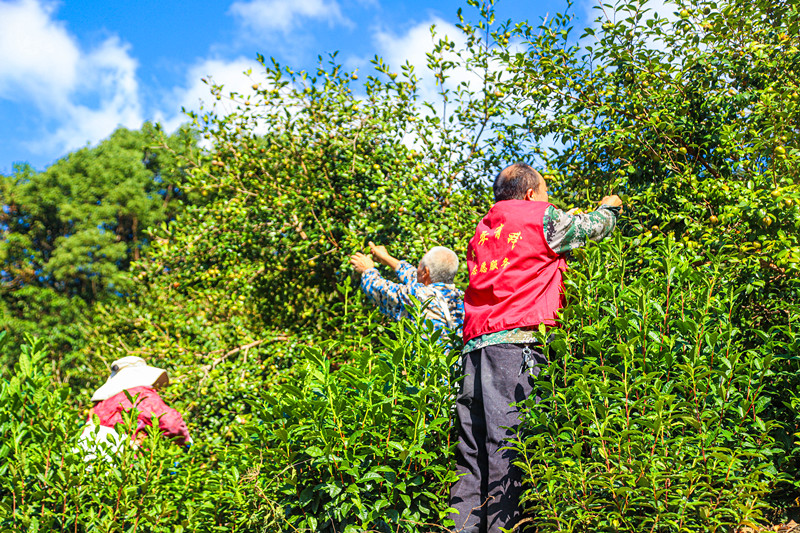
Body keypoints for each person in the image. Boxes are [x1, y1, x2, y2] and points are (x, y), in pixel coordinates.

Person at [448, 162, 623, 533]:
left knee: (472, 454)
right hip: (516, 347)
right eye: (545, 195)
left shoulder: (482, 231)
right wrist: (610, 208)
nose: (549, 203)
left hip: (476, 348)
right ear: (530, 195)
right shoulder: (540, 216)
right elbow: (592, 228)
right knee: (507, 450)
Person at [349, 241, 464, 338]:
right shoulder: (462, 298)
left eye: (419, 266)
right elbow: (415, 277)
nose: (416, 270)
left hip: (429, 364)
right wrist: (386, 258)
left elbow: (379, 289)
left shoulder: (417, 296)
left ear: (426, 272)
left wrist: (367, 269)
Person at [80, 356, 192, 455]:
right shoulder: (140, 394)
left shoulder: (102, 402)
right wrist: (186, 441)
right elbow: (171, 423)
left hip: (91, 458)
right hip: (123, 459)